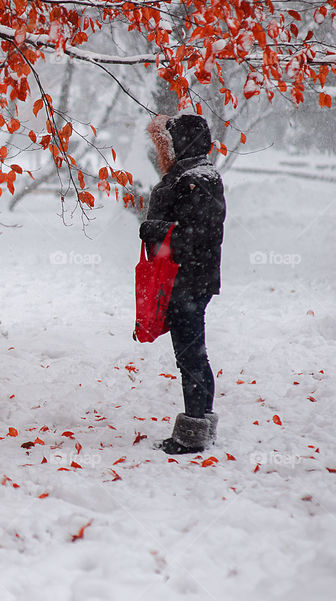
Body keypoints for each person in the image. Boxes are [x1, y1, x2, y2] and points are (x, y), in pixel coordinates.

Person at [140, 114, 226, 455]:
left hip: (188, 279)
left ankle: (192, 432)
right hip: (189, 277)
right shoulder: (196, 175)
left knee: (190, 356)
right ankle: (200, 423)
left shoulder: (197, 179)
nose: (163, 149)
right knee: (194, 354)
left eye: (167, 142)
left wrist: (155, 230)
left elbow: (196, 234)